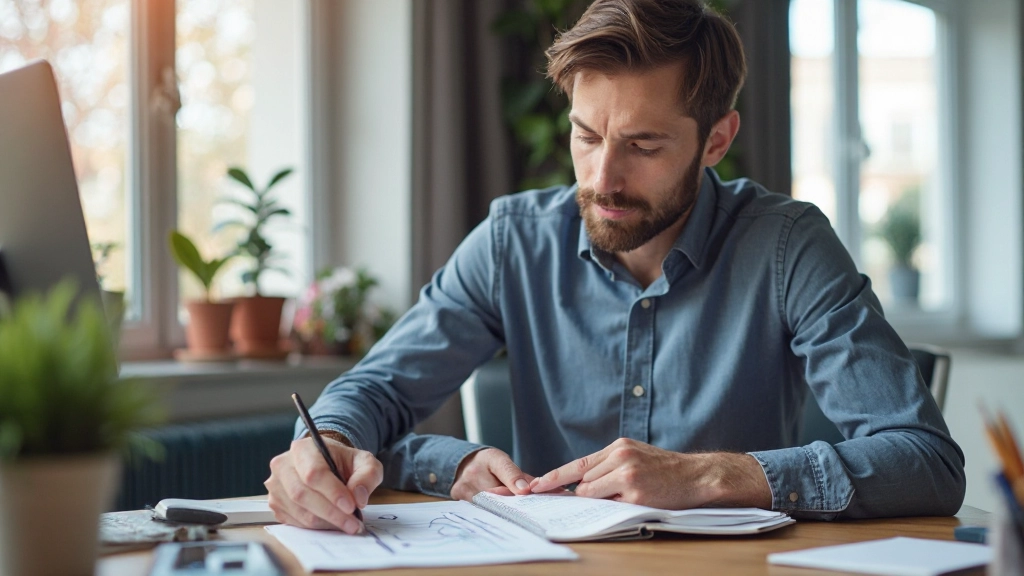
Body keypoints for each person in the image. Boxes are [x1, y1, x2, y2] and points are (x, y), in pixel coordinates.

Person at [264, 0, 965, 535]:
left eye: (645, 145)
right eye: (586, 135)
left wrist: (714, 476)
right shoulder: (514, 240)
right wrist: (325, 450)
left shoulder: (787, 247)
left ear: (717, 139)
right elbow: (377, 390)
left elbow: (926, 463)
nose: (603, 178)